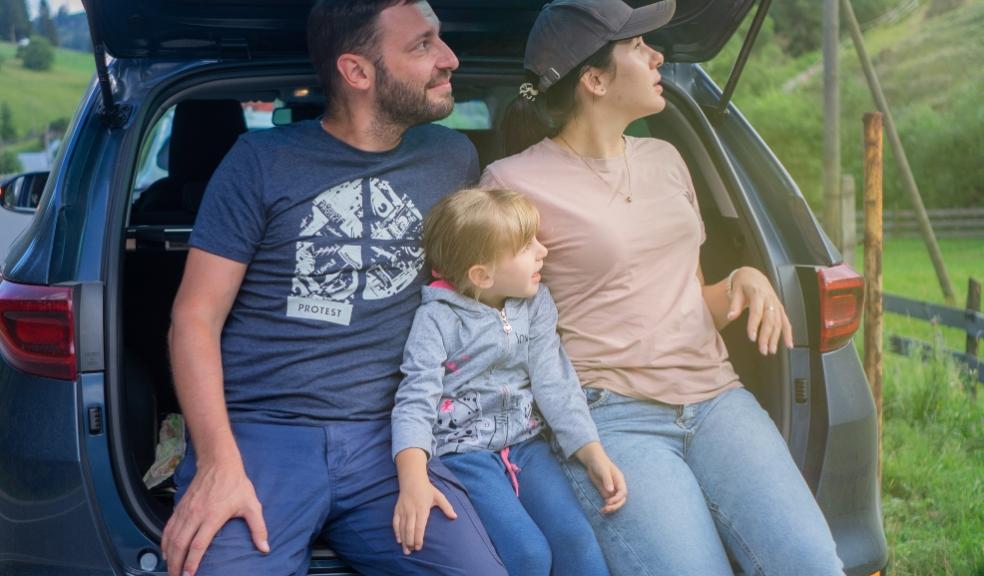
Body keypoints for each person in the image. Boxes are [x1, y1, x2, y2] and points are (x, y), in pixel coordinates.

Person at [480, 1, 846, 575]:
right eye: (638, 47)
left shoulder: (667, 158)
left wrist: (742, 281)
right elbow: (493, 332)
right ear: (594, 79)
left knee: (812, 564)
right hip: (612, 418)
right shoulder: (513, 183)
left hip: (718, 399)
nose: (658, 55)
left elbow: (686, 298)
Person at [161, 1, 508, 575]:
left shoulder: (453, 158)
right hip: (262, 435)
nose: (450, 59)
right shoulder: (260, 162)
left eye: (439, 40)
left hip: (392, 438)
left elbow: (480, 282)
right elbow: (194, 318)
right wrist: (219, 463)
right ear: (358, 72)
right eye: (422, 45)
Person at [391, 187, 625, 575]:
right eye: (525, 246)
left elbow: (555, 382)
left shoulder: (535, 304)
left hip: (527, 447)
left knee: (578, 542)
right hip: (464, 456)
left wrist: (591, 451)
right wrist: (412, 477)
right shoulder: (437, 320)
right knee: (529, 554)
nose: (542, 251)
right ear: (482, 275)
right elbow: (415, 398)